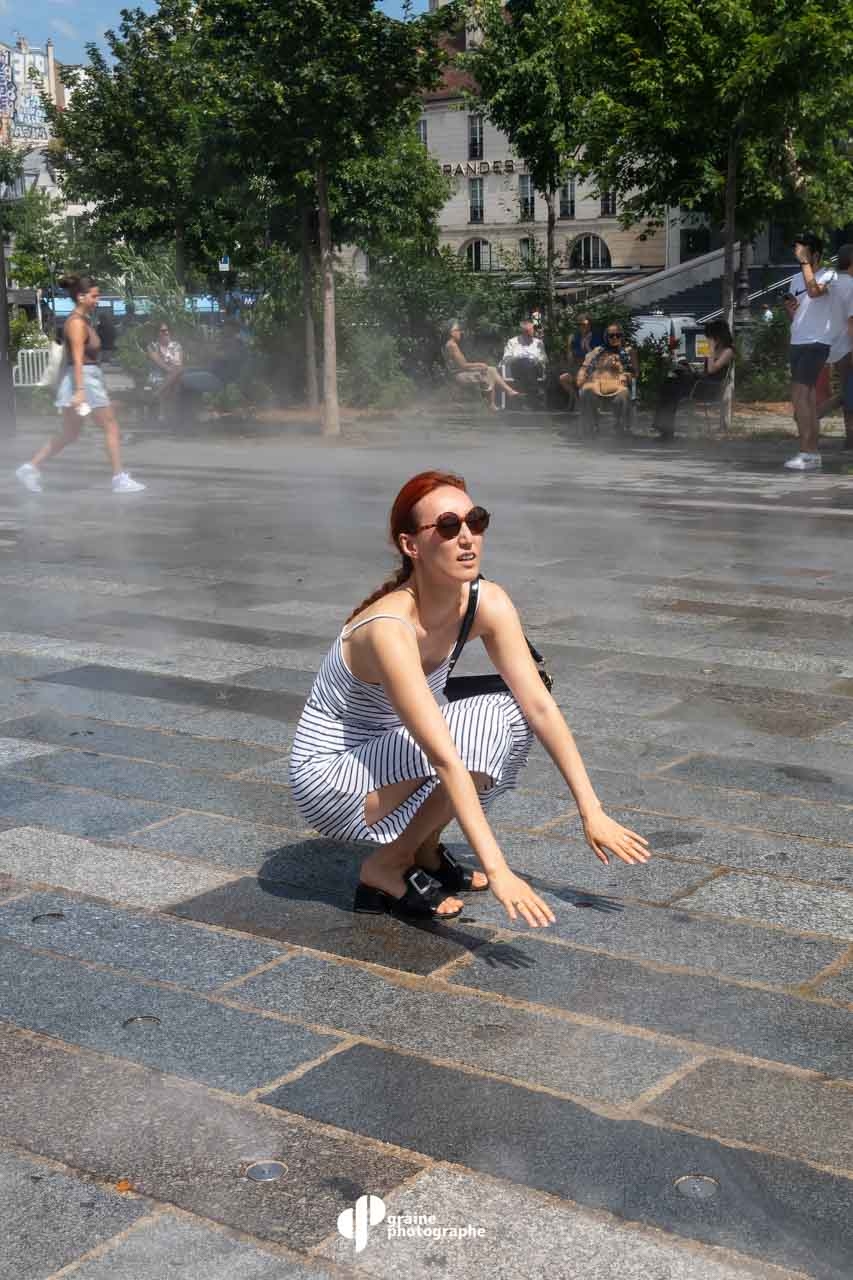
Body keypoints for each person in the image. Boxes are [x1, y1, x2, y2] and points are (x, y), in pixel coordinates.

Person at [289, 470, 650, 924]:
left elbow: (539, 706)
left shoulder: (486, 601)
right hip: (334, 780)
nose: (466, 538)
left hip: (389, 758)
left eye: (475, 521)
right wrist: (499, 871)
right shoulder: (389, 628)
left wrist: (591, 811)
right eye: (447, 526)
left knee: (516, 707)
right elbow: (445, 758)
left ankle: (423, 849)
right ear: (410, 545)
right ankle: (387, 865)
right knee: (483, 725)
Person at [15, 274, 145, 495]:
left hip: (85, 379)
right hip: (83, 379)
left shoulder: (83, 321)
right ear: (81, 297)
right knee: (110, 426)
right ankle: (119, 478)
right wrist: (81, 391)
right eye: (94, 296)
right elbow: (76, 358)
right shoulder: (76, 323)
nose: (97, 300)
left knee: (70, 433)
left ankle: (30, 468)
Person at [784, 233, 837, 471]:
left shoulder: (830, 275)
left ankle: (807, 452)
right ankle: (812, 453)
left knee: (799, 395)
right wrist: (791, 309)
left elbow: (815, 292)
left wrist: (805, 263)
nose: (800, 258)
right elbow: (800, 314)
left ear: (815, 254)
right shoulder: (796, 278)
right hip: (798, 340)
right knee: (807, 399)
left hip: (817, 342)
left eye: (803, 253)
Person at [651, 319, 735, 439]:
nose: (708, 340)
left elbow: (711, 370)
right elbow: (706, 372)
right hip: (701, 383)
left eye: (710, 337)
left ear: (718, 336)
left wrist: (710, 350)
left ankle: (665, 429)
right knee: (668, 384)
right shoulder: (715, 350)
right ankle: (664, 427)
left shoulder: (728, 351)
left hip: (709, 388)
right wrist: (691, 369)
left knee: (672, 388)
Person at [817, 244, 853, 449]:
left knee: (849, 391)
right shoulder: (851, 285)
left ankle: (814, 414)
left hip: (830, 343)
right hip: (847, 346)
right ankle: (850, 437)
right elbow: (852, 322)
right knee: (849, 393)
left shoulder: (831, 282)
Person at [444, 321, 522, 412]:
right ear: (451, 333)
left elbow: (463, 365)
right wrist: (479, 365)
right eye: (457, 330)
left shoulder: (451, 344)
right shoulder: (452, 345)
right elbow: (463, 366)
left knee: (491, 369)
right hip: (458, 375)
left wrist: (479, 366)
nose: (460, 332)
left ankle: (507, 393)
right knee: (488, 373)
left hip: (461, 372)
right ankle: (494, 404)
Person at [576, 323, 639, 434]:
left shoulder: (628, 351)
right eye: (611, 335)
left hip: (618, 386)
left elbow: (635, 372)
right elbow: (585, 367)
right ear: (606, 337)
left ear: (622, 336)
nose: (615, 338)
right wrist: (581, 375)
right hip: (596, 385)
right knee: (586, 391)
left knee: (623, 394)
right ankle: (591, 426)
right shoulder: (598, 351)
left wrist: (627, 375)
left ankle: (620, 427)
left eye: (618, 335)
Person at [502, 318, 547, 404]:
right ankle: (534, 392)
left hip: (536, 368)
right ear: (522, 331)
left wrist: (536, 360)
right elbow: (506, 358)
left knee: (528, 363)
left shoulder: (538, 343)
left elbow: (544, 358)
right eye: (527, 331)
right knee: (524, 362)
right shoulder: (512, 342)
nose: (530, 333)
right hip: (517, 368)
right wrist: (518, 358)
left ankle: (526, 397)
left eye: (531, 330)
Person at [146, 322, 184, 420]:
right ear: (157, 333)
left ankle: (156, 395)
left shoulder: (176, 345)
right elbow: (158, 362)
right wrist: (170, 369)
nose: (166, 333)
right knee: (175, 378)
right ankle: (170, 415)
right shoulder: (152, 346)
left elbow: (178, 362)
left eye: (167, 330)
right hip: (157, 376)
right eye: (163, 331)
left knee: (176, 376)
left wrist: (172, 369)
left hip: (173, 375)